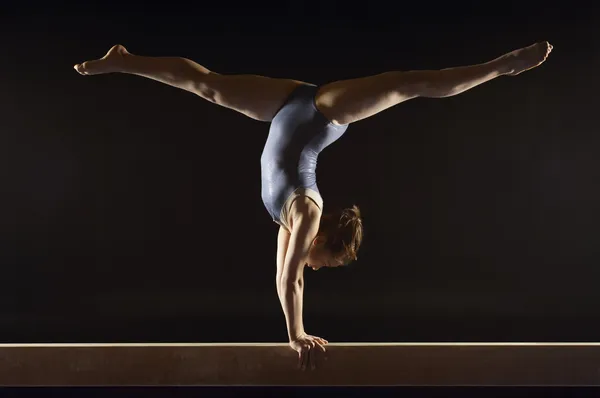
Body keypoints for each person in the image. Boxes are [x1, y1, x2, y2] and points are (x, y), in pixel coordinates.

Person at [74, 41, 553, 370]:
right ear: (322, 240)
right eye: (330, 260)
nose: (320, 268)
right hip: (324, 112)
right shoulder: (306, 211)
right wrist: (296, 334)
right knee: (410, 83)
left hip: (285, 106)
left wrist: (292, 327)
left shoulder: (285, 221)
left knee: (209, 86)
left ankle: (126, 60)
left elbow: (284, 275)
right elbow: (293, 277)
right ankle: (500, 66)